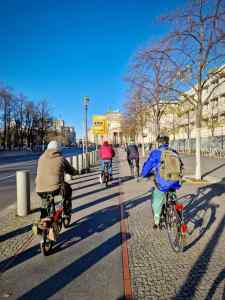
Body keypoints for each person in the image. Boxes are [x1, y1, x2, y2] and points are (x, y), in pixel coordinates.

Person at [141, 134, 183, 229]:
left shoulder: (156, 153)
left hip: (163, 183)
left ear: (158, 143)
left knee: (156, 199)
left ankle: (156, 221)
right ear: (168, 142)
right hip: (175, 181)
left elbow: (148, 165)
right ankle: (177, 212)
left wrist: (143, 174)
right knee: (172, 192)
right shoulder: (174, 152)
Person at [36, 140, 76, 219]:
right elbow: (71, 170)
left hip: (39, 189)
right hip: (55, 188)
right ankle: (66, 211)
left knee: (45, 199)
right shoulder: (61, 159)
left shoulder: (40, 158)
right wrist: (76, 172)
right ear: (58, 149)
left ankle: (44, 216)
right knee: (68, 189)